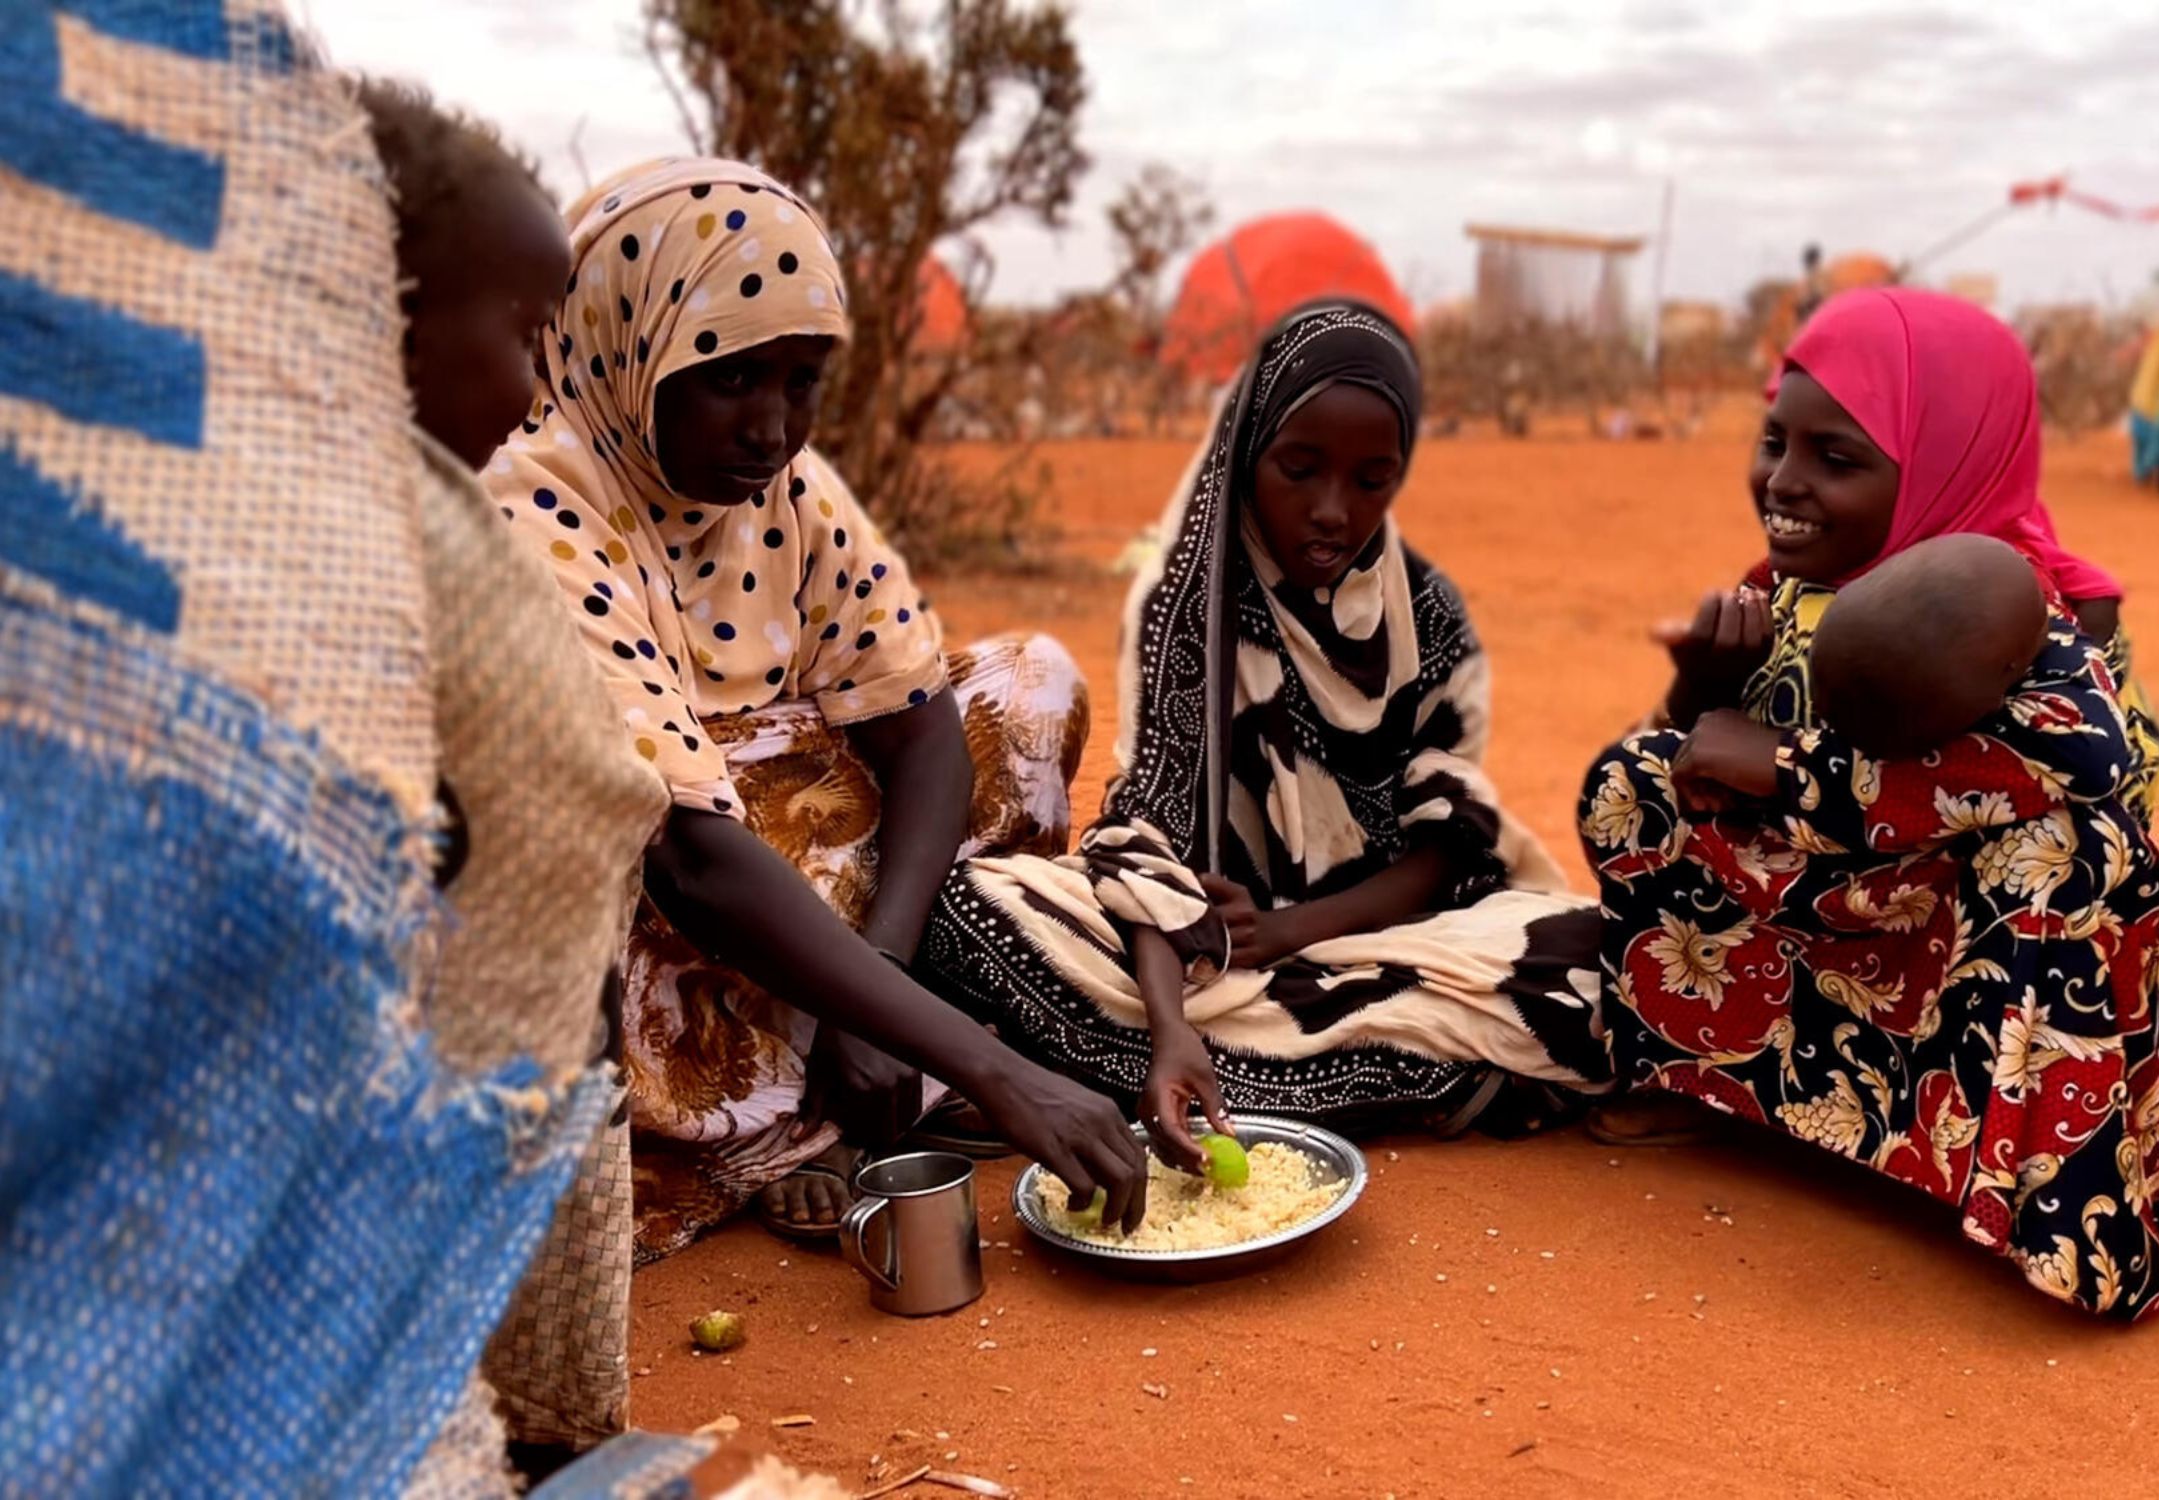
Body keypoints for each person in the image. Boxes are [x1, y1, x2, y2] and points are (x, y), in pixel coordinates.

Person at [490, 157, 1146, 1256]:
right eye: (734, 379)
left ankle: (878, 1042)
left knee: (1027, 683)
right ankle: (824, 1107)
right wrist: (1000, 1069)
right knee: (619, 958)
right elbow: (690, 859)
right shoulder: (536, 498)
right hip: (673, 896)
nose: (773, 427)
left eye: (802, 382)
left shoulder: (782, 487)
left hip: (814, 878)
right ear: (627, 339)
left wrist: (874, 975)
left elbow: (923, 720)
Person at [1580, 287, 2159, 1319]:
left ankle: (2052, 1206)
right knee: (1638, 780)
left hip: (1956, 943)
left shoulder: (2004, 616)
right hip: (1848, 914)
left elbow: (2082, 772)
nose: (1781, 482)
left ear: (1945, 463)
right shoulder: (1771, 596)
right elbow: (1702, 767)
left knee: (2065, 858)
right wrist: (1697, 697)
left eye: (1835, 459)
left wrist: (1785, 768)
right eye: (1774, 440)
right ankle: (1707, 1084)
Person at [916, 300, 1611, 1166]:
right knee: (969, 908)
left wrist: (1291, 930)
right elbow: (1147, 847)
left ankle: (1089, 1066)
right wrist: (1173, 1029)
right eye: (1299, 469)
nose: (1332, 509)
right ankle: (1220, 1070)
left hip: (1374, 941)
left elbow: (1445, 849)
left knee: (1593, 958)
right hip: (1186, 951)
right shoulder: (1191, 606)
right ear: (1246, 459)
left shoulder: (1423, 614)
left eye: (1371, 479)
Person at [349, 78, 680, 1478]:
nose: (539, 381)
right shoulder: (390, 536)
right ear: (372, 310)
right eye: (518, 335)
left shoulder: (422, 526)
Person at [1807, 535, 2050, 761]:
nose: (2051, 607)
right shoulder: (2044, 742)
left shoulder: (1827, 768)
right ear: (2004, 680)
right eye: (2042, 607)